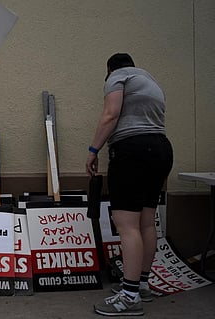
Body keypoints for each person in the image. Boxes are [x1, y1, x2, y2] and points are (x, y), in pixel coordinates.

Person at [86, 53, 173, 316]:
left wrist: (93, 150)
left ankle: (129, 296)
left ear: (110, 68)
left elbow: (111, 115)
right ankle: (142, 285)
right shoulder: (151, 82)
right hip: (160, 150)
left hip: (132, 152)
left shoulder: (118, 76)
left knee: (127, 225)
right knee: (146, 221)